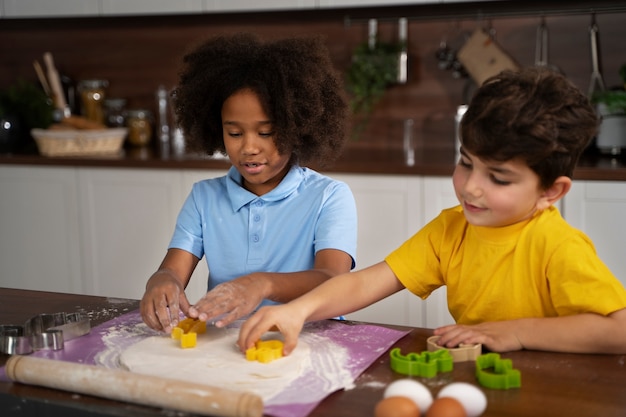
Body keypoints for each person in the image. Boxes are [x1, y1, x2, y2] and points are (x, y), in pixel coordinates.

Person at [238, 67, 626, 355]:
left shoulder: (558, 246)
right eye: (466, 162)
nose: (472, 186)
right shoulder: (451, 230)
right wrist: (299, 310)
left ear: (551, 192)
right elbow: (364, 283)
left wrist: (515, 332)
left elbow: (619, 331)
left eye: (500, 178)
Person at [140, 33, 357, 333]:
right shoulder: (204, 197)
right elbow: (172, 270)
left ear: (298, 127)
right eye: (235, 133)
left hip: (309, 337)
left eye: (266, 132)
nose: (249, 148)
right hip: (230, 341)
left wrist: (262, 284)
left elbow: (333, 278)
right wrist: (162, 281)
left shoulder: (329, 197)